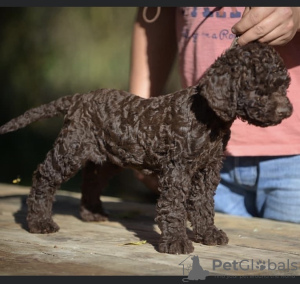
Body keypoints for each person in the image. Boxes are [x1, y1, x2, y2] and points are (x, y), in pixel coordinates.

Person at [129, 7, 300, 223]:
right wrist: (141, 124)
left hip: (294, 158)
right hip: (196, 145)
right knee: (201, 252)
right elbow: (156, 16)